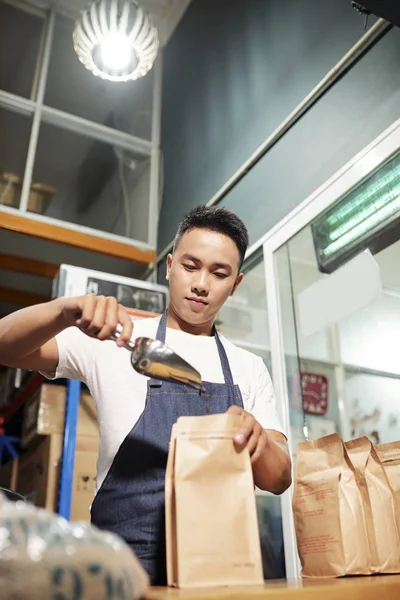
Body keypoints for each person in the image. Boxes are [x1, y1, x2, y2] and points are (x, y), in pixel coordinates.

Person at [0, 206, 291, 584]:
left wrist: (259, 443)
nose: (201, 283)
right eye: (190, 266)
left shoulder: (248, 366)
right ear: (169, 266)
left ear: (235, 284)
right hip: (125, 568)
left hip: (222, 566)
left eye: (219, 273)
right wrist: (63, 311)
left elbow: (279, 478)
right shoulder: (114, 337)